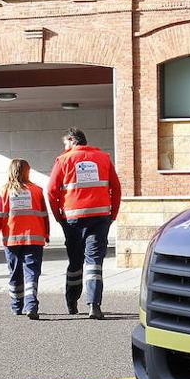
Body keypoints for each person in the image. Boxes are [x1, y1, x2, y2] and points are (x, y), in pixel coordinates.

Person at [47, 128, 122, 319]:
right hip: (99, 218)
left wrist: (58, 216)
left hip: (72, 220)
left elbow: (51, 191)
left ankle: (72, 302)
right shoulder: (103, 158)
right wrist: (112, 214)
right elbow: (116, 187)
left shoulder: (63, 160)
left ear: (72, 140)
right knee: (94, 262)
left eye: (65, 144)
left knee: (75, 262)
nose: (65, 148)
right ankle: (94, 305)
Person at [0, 158, 51, 320]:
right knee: (32, 273)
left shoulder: (4, 191)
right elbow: (44, 215)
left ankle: (17, 306)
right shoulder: (36, 190)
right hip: (34, 239)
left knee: (15, 273)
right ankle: (31, 305)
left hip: (12, 241)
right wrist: (46, 234)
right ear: (27, 171)